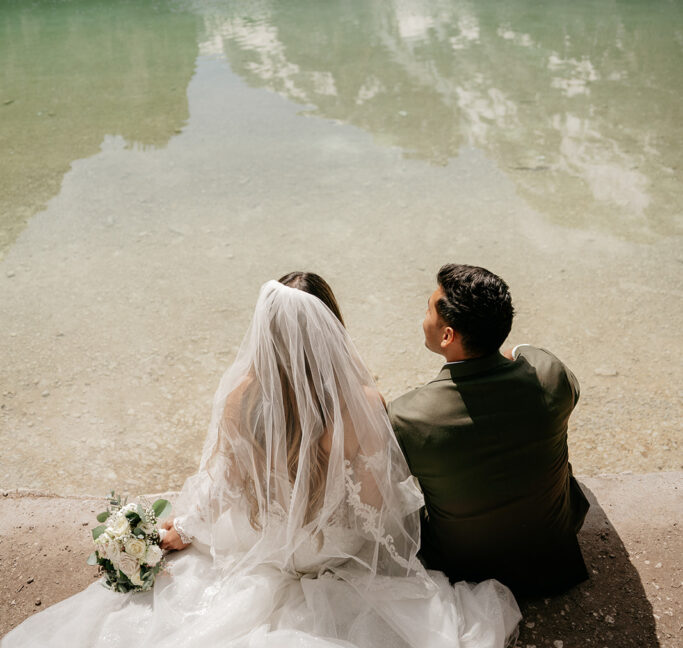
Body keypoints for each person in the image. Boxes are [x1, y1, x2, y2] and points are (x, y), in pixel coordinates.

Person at [3, 272, 520, 648]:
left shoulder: (240, 399)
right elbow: (377, 508)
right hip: (332, 552)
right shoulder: (362, 404)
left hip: (267, 546)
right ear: (331, 329)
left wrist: (179, 529)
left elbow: (222, 483)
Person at [388, 263, 590, 597]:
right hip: (554, 559)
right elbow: (520, 352)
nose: (423, 318)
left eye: (427, 311)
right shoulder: (550, 375)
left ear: (447, 335)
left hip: (465, 572)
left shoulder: (408, 416)